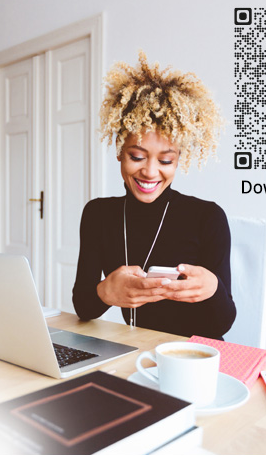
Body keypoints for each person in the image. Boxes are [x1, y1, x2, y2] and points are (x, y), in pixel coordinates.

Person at [71, 51, 235, 340]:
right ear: (120, 151)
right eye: (137, 156)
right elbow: (83, 307)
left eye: (165, 161)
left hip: (193, 358)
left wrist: (213, 288)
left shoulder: (207, 217)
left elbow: (221, 325)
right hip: (135, 349)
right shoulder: (98, 214)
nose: (149, 172)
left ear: (179, 159)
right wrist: (104, 291)